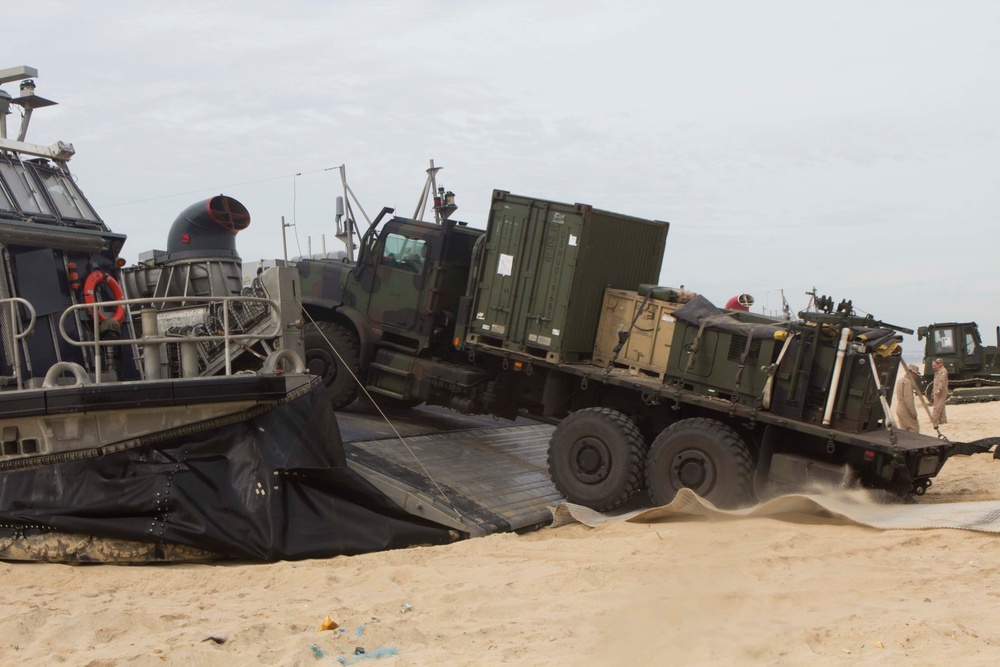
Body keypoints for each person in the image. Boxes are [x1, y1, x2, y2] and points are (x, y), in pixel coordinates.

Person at [894, 364, 920, 433]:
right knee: (914, 429)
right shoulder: (908, 382)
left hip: (899, 408)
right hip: (905, 409)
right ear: (912, 373)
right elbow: (908, 400)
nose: (916, 376)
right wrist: (913, 413)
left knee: (904, 432)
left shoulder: (900, 380)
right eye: (915, 374)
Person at [932, 358, 949, 425]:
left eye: (938, 363)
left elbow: (941, 381)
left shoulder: (943, 371)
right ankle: (943, 420)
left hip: (941, 391)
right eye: (937, 363)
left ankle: (935, 420)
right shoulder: (939, 371)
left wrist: (939, 390)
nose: (937, 364)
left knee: (937, 406)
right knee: (941, 406)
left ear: (942, 363)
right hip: (939, 390)